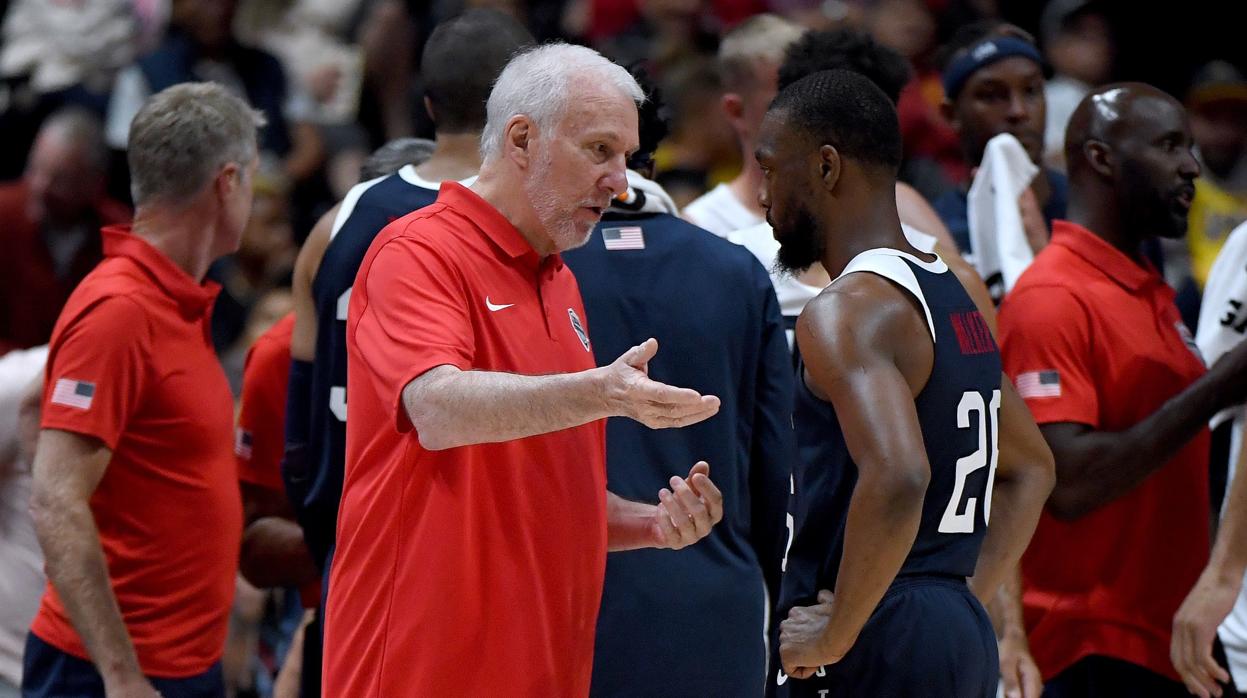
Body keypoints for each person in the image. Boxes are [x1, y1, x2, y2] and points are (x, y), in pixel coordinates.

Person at [322, 43, 726, 696]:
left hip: (543, 665)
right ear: (521, 139)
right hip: (422, 666)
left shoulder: (560, 282)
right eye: (600, 151)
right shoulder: (418, 253)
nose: (621, 181)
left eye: (625, 156)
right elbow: (435, 408)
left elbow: (540, 492)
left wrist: (650, 523)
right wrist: (599, 392)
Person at [759, 69, 1055, 697]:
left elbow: (899, 475)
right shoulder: (953, 294)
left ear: (826, 167)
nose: (764, 195)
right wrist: (958, 594)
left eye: (771, 168)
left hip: (877, 628)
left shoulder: (846, 309)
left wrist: (836, 632)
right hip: (952, 627)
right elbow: (1030, 471)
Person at [997, 83, 1247, 697]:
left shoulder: (1146, 292)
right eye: (1169, 146)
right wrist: (1217, 389)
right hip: (1089, 643)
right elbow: (1070, 482)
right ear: (1101, 158)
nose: (1191, 165)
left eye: (1189, 146)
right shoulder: (1054, 297)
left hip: (1163, 637)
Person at [23, 82, 263, 697]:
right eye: (254, 181)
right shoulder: (120, 311)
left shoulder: (175, 302)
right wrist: (121, 673)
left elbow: (38, 413)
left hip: (180, 666)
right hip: (112, 674)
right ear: (227, 182)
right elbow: (55, 499)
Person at [560, 68, 793, 697]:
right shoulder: (739, 270)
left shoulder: (535, 275)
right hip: (717, 606)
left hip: (571, 604)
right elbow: (775, 468)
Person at [934, 22, 1069, 259]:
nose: (1018, 111)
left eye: (1031, 90)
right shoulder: (936, 233)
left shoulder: (1093, 213)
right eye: (992, 95)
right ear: (952, 115)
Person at [0, 109, 129, 353]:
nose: (40, 186)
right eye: (36, 169)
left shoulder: (118, 235)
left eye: (60, 180)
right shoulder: (5, 214)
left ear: (95, 183)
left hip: (83, 370)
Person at [681, 14, 803, 237]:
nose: (804, 113)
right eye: (784, 101)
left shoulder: (840, 216)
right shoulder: (703, 226)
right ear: (736, 112)